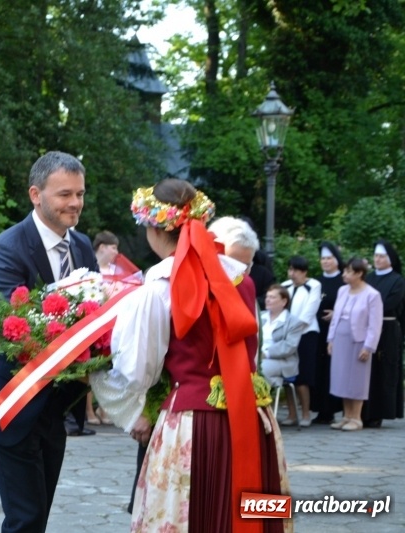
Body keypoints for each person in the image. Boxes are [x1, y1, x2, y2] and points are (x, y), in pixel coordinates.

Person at [91, 178, 288, 533]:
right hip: (254, 418)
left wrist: (95, 377)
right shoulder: (241, 278)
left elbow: (138, 371)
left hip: (192, 425)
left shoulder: (161, 284)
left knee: (188, 515)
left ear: (155, 228)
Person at [0, 151, 98, 533]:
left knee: (37, 516)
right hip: (11, 400)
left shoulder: (82, 246)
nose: (75, 203)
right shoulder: (7, 249)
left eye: (80, 194)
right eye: (64, 194)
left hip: (54, 405)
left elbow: (95, 315)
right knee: (26, 518)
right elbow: (15, 328)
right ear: (35, 195)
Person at [327, 257, 383, 432]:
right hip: (341, 338)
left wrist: (369, 346)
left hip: (359, 340)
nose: (344, 275)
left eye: (348, 271)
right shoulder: (343, 290)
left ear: (359, 274)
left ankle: (356, 418)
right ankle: (346, 416)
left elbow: (375, 324)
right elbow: (336, 317)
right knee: (342, 378)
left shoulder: (372, 295)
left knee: (357, 379)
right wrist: (331, 339)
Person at [362, 240, 405, 428]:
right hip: (366, 327)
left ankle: (379, 412)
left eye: (382, 256)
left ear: (390, 259)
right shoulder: (368, 278)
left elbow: (389, 305)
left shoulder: (398, 280)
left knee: (383, 371)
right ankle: (364, 411)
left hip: (387, 330)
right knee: (366, 372)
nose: (378, 259)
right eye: (376, 256)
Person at [280, 256, 322, 426]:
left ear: (304, 272)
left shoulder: (314, 286)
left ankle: (305, 413)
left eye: (296, 271)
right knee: (287, 374)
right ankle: (291, 413)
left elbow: (308, 313)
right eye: (290, 270)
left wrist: (293, 329)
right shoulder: (284, 286)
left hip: (306, 334)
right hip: (286, 335)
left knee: (303, 375)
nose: (292, 274)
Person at [85, 230, 120, 426]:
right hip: (94, 320)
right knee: (90, 367)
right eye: (113, 247)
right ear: (102, 247)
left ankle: (104, 408)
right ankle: (89, 410)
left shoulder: (116, 272)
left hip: (112, 323)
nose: (116, 252)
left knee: (109, 367)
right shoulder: (90, 269)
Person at [312, 242, 345, 424]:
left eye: (329, 258)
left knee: (333, 370)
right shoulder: (316, 281)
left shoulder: (343, 281)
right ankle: (321, 409)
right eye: (323, 258)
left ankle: (333, 408)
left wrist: (336, 314)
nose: (325, 262)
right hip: (318, 330)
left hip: (337, 332)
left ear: (337, 260)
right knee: (319, 369)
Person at [260, 284, 308, 387]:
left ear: (283, 302)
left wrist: (266, 354)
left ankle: (262, 399)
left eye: (272, 297)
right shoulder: (259, 316)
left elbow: (289, 346)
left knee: (258, 369)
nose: (267, 300)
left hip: (282, 361)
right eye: (267, 297)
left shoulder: (294, 322)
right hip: (257, 357)